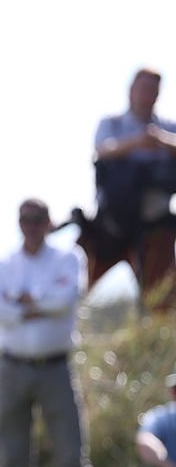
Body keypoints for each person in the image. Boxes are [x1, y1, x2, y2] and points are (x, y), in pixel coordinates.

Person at [0, 199, 97, 467]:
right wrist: (33, 305)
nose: (30, 225)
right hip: (11, 369)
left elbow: (66, 301)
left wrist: (21, 305)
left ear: (48, 223)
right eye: (25, 220)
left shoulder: (67, 258)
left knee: (70, 460)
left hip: (55, 369)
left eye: (37, 219)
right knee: (15, 461)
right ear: (19, 223)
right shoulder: (2, 264)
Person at [84, 68, 176, 300]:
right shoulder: (112, 124)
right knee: (88, 292)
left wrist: (161, 140)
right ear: (131, 91)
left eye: (152, 90)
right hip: (112, 224)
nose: (147, 94)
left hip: (157, 224)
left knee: (161, 298)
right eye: (142, 88)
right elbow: (102, 149)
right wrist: (136, 143)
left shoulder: (168, 129)